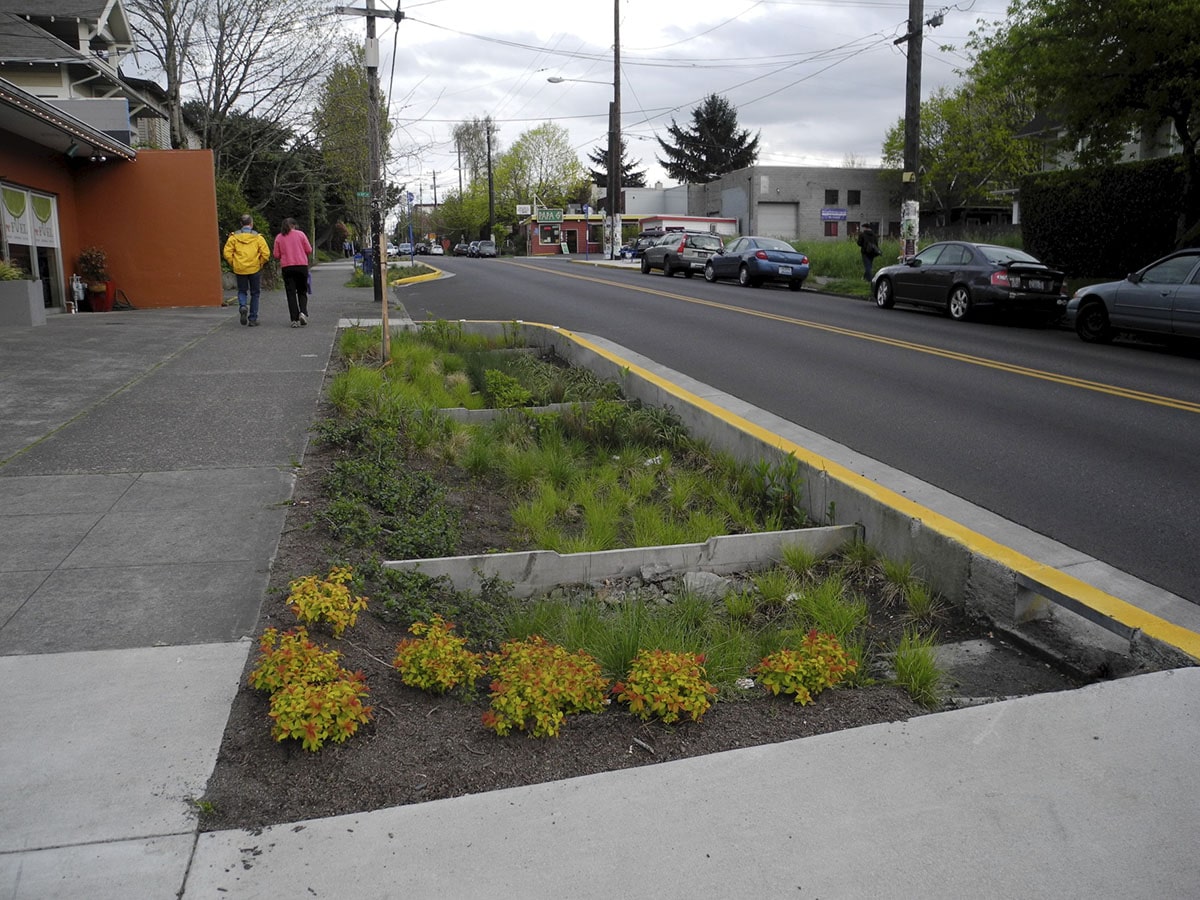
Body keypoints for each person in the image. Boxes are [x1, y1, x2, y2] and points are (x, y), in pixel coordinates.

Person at [222, 214, 270, 326]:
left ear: (240, 224)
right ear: (251, 224)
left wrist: (234, 263)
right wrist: (260, 263)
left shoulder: (233, 238)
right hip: (254, 268)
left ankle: (243, 305)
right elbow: (266, 254)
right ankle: (253, 318)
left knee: (242, 291)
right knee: (255, 293)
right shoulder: (258, 238)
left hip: (240, 269)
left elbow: (227, 253)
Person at [273, 217, 313, 327]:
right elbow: (309, 250)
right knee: (302, 291)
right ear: (294, 225)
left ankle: (294, 319)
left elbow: (276, 255)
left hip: (287, 267)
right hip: (301, 266)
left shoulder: (279, 237)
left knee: (291, 293)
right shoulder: (301, 235)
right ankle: (303, 312)